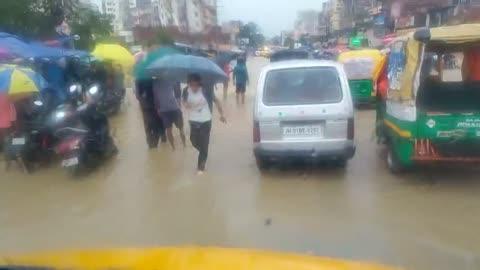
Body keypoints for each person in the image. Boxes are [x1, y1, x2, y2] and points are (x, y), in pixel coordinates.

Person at [182, 74, 226, 175]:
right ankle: (203, 152)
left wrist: (222, 114)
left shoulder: (206, 90)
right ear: (188, 84)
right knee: (193, 141)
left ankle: (200, 168)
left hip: (206, 120)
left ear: (199, 84)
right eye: (192, 85)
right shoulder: (185, 90)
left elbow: (217, 101)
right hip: (193, 120)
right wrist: (185, 104)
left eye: (196, 85)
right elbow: (184, 102)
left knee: (204, 144)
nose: (194, 87)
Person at [153, 78, 186, 150]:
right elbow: (155, 97)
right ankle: (178, 147)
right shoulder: (169, 79)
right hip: (168, 110)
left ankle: (181, 147)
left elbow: (155, 97)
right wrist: (157, 108)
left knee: (179, 129)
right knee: (174, 130)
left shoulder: (155, 82)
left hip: (172, 109)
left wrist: (157, 109)